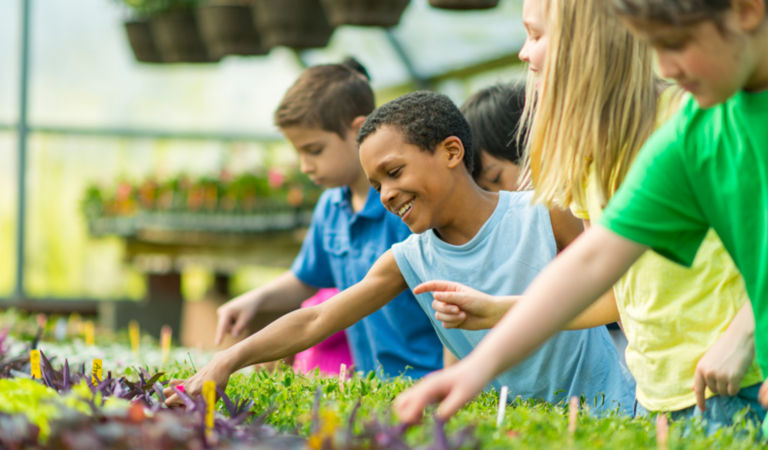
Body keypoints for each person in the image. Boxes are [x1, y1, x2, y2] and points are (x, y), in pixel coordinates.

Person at [394, 0, 768, 429]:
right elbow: (595, 259)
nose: (663, 64)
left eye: (675, 42)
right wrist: (477, 367)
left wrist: (745, 333)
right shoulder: (695, 130)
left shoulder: (698, 119)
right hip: (669, 395)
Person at [164, 91, 635, 415]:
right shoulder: (409, 259)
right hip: (518, 428)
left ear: (451, 152)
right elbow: (315, 320)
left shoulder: (543, 214)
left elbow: (620, 296)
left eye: (394, 172)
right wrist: (225, 361)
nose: (386, 194)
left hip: (611, 411)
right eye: (375, 184)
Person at [213, 58, 443, 380]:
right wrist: (255, 299)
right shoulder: (331, 206)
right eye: (299, 153)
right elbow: (307, 277)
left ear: (357, 130)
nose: (305, 166)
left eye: (314, 150)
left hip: (427, 377)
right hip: (370, 383)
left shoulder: (403, 208)